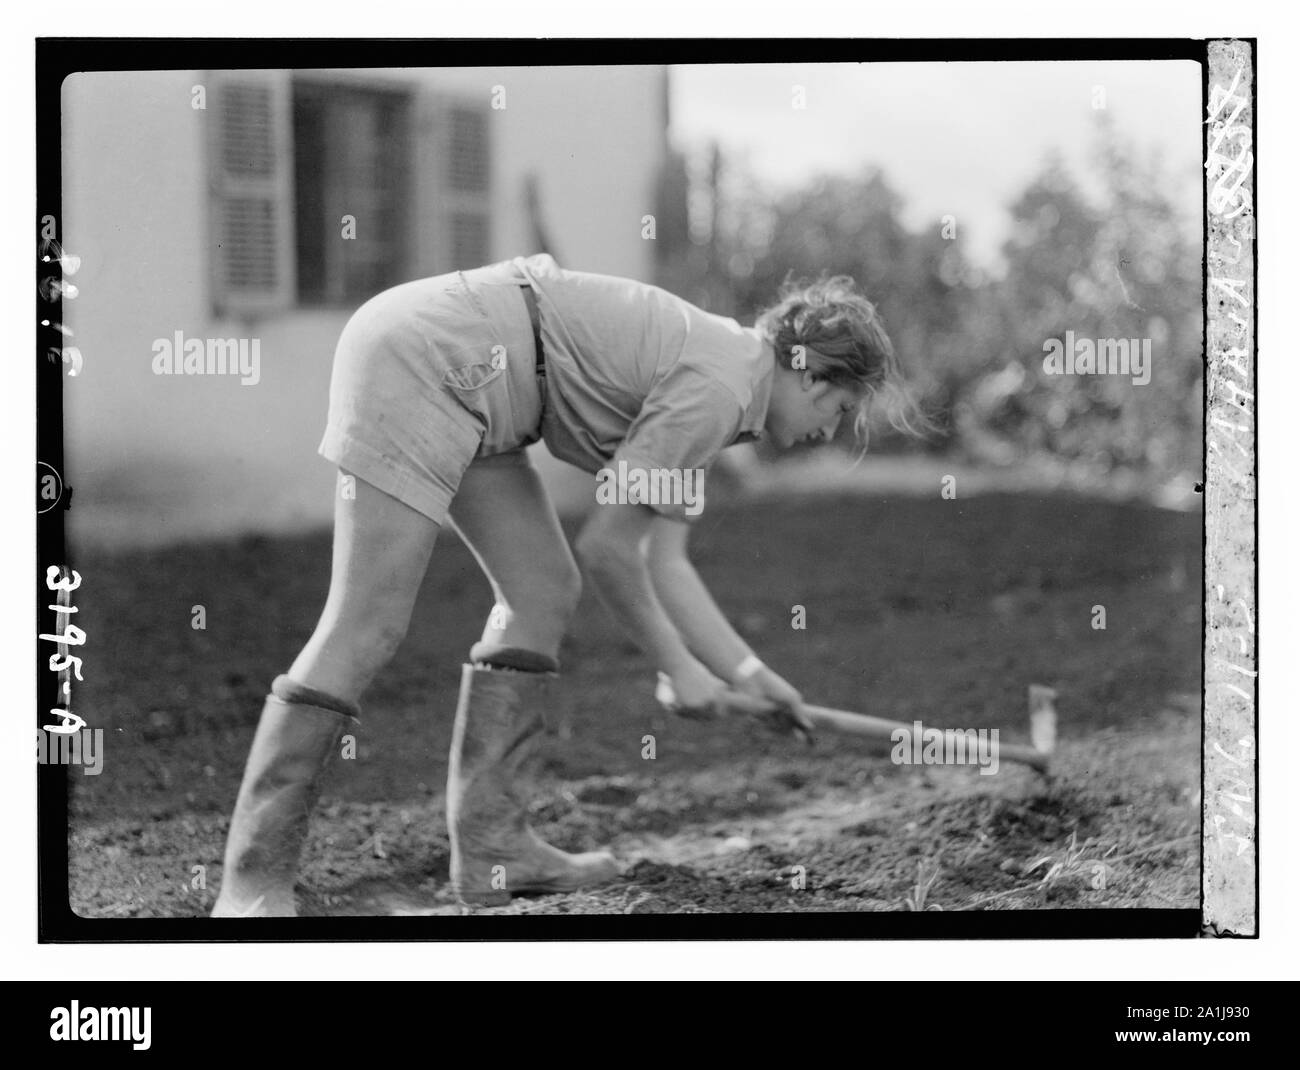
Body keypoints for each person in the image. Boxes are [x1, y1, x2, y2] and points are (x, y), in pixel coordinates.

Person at [212, 253, 923, 916]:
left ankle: (494, 848)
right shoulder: (719, 388)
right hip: (434, 356)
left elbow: (663, 560)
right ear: (811, 376)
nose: (829, 433)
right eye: (838, 412)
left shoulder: (731, 389)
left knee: (542, 589)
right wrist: (677, 669)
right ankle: (252, 882)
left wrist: (748, 672)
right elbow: (610, 551)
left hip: (486, 390)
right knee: (367, 623)